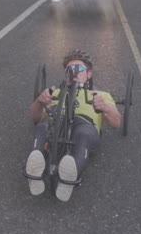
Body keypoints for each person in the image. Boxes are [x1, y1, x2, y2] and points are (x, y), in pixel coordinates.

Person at [25, 49, 121, 201]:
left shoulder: (101, 95)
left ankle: (69, 176)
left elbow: (116, 122)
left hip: (85, 125)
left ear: (89, 74)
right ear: (66, 74)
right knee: (41, 128)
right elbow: (34, 117)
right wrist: (39, 101)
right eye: (70, 70)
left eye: (79, 69)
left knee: (83, 135)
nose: (74, 73)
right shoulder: (55, 93)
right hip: (57, 120)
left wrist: (105, 107)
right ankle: (35, 167)